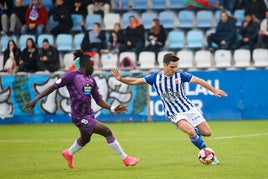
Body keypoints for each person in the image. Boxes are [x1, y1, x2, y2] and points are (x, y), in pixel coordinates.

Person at [23, 50, 139, 169]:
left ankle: (69, 153)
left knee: (85, 139)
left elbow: (98, 100)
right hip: (79, 116)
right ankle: (125, 158)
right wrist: (35, 100)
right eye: (92, 64)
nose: (94, 67)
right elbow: (53, 87)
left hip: (88, 115)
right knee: (106, 131)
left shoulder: (91, 80)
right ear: (85, 65)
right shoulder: (72, 76)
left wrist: (113, 108)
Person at [111, 53, 228, 165]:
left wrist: (214, 90)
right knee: (190, 131)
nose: (174, 69)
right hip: (173, 112)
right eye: (172, 67)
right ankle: (207, 153)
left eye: (176, 67)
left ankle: (197, 136)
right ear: (164, 65)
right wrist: (121, 79)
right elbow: (136, 81)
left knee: (207, 132)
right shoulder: (155, 78)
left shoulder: (180, 75)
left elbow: (199, 81)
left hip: (188, 108)